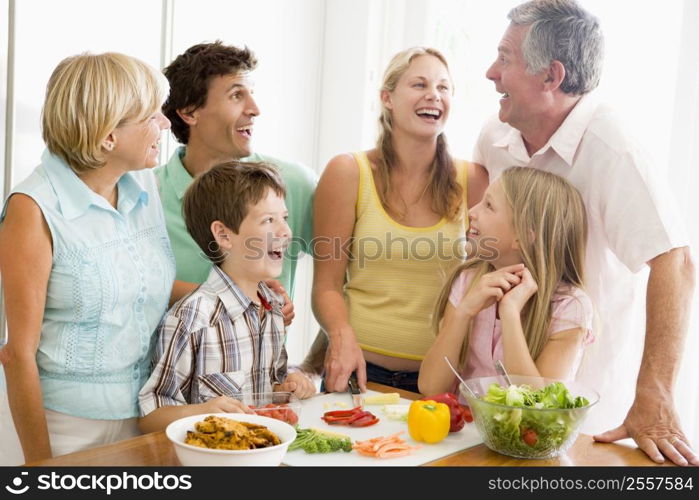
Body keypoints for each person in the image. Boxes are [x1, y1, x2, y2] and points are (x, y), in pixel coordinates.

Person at [475, 0, 696, 465]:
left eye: (505, 58)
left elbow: (674, 261)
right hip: (495, 405)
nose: (491, 73)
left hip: (581, 410)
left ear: (551, 77)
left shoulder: (614, 151)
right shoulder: (493, 137)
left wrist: (654, 394)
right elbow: (475, 239)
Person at [0, 53, 175, 462]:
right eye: (152, 116)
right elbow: (17, 354)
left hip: (145, 413)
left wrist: (231, 294)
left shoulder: (142, 184)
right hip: (65, 428)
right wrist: (40, 468)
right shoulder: (32, 209)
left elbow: (140, 286)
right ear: (107, 136)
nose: (165, 124)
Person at [307, 47, 489, 394]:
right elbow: (326, 286)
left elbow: (484, 285)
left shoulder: (474, 180)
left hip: (439, 383)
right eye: (419, 84)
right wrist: (341, 338)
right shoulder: (347, 172)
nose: (433, 95)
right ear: (387, 98)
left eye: (443, 87)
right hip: (358, 375)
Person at [138, 161, 315, 433]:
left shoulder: (274, 309)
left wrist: (290, 383)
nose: (285, 231)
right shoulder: (192, 317)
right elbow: (150, 417)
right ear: (223, 235)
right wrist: (198, 413)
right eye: (269, 220)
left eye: (285, 218)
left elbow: (271, 385)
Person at [159, 41, 317, 307]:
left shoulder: (295, 184)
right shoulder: (145, 194)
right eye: (236, 95)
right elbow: (133, 288)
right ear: (189, 112)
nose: (255, 109)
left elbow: (349, 275)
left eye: (252, 93)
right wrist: (237, 298)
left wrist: (331, 341)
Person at [419, 167, 593, 394]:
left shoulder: (570, 307)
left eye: (489, 205)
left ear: (523, 237)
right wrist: (463, 313)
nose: (472, 211)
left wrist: (510, 313)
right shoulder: (468, 281)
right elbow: (430, 387)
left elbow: (537, 406)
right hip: (468, 427)